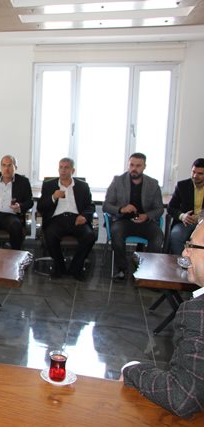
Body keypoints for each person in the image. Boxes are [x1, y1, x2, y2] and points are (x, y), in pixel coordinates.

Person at [121, 221, 204, 419]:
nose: (184, 253)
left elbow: (182, 396)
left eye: (191, 246)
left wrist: (132, 370)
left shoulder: (198, 312)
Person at [103, 153, 164, 280]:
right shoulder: (118, 181)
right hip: (122, 221)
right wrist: (122, 209)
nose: (134, 169)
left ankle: (147, 270)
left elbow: (159, 209)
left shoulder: (153, 184)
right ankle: (122, 269)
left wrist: (146, 216)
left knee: (158, 236)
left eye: (138, 166)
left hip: (145, 222)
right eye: (131, 165)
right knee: (116, 233)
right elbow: (106, 206)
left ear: (144, 166)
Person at [37, 158, 96, 281]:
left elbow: (90, 206)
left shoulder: (82, 186)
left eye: (66, 167)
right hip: (57, 219)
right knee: (50, 235)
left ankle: (76, 268)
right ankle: (60, 268)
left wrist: (84, 216)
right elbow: (40, 206)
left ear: (72, 170)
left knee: (89, 236)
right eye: (61, 167)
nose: (63, 170)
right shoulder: (49, 185)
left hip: (76, 218)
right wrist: (53, 197)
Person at [167, 158, 204, 254]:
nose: (195, 176)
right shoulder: (182, 186)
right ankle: (181, 260)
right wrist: (182, 216)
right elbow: (171, 208)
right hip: (185, 223)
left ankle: (198, 262)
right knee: (176, 235)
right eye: (193, 172)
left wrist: (201, 218)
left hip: (203, 223)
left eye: (200, 173)